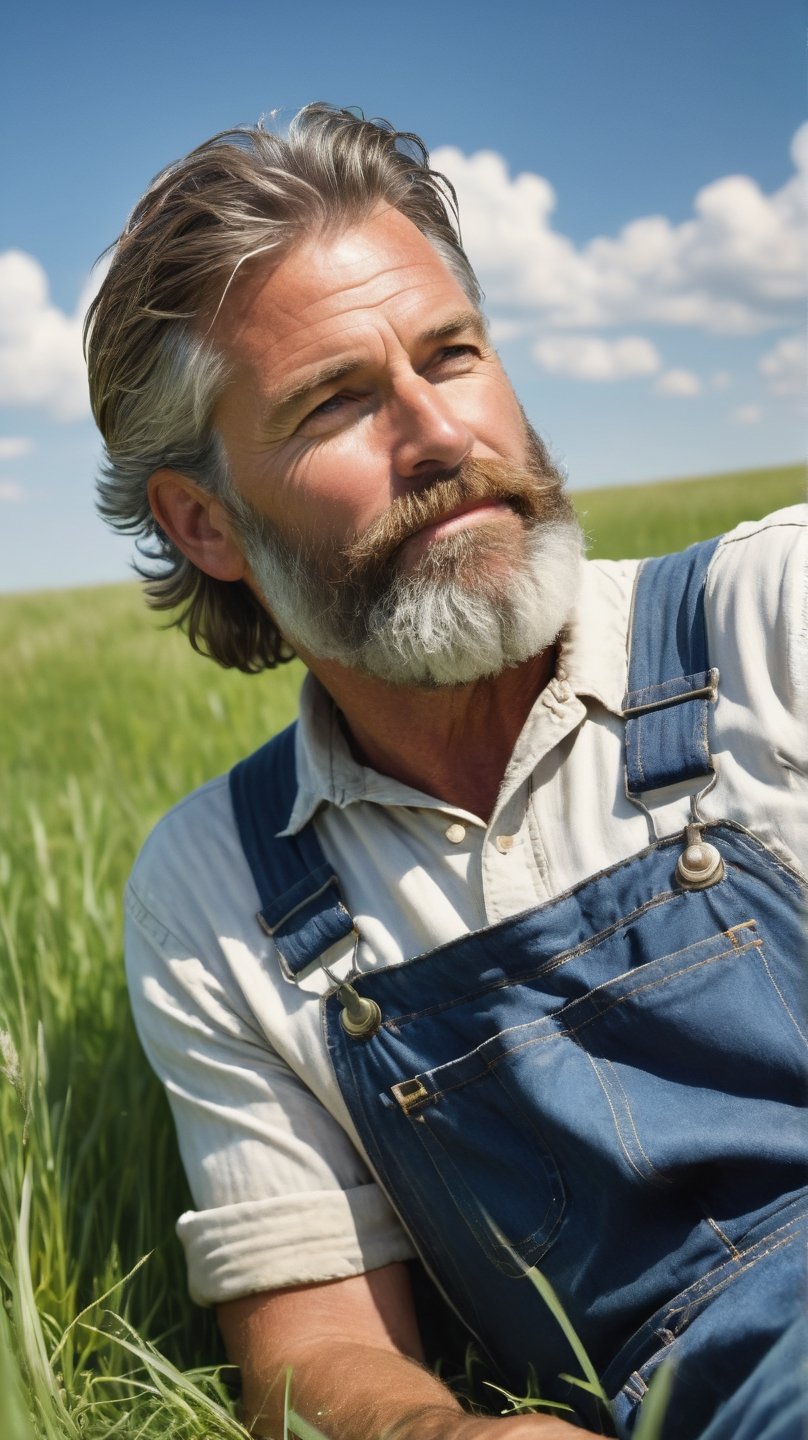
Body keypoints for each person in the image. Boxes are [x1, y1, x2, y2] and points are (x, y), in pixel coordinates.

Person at [85, 104, 807, 1440]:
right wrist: (446, 1434)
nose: (439, 434)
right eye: (337, 402)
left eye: (453, 355)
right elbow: (314, 1343)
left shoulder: (777, 620)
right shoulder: (223, 895)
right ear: (204, 522)